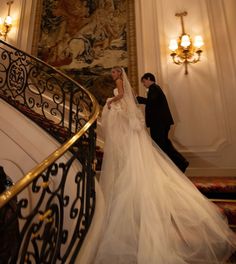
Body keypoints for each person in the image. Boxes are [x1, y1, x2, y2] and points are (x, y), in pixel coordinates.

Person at [92, 66, 236, 264]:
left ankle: (180, 163)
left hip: (159, 122)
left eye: (115, 73)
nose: (113, 76)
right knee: (161, 148)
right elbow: (131, 100)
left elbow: (124, 96)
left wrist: (110, 101)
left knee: (162, 146)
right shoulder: (144, 90)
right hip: (143, 124)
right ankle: (179, 163)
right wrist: (132, 103)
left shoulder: (149, 89)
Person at [136, 73, 189, 173]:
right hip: (161, 122)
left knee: (160, 145)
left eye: (143, 82)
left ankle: (175, 165)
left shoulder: (154, 88)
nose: (143, 84)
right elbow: (153, 102)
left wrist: (137, 99)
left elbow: (151, 102)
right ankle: (181, 163)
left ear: (148, 79)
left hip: (159, 122)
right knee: (164, 144)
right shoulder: (154, 89)